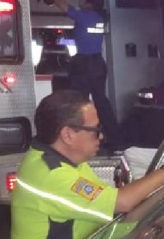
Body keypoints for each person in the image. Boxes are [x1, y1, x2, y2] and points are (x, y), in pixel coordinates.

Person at [11, 90, 164, 239]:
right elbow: (123, 202)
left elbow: (109, 201)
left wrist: (142, 232)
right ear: (68, 135)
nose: (101, 136)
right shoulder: (50, 174)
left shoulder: (69, 162)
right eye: (95, 130)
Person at [52, 0, 122, 149]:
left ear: (90, 3)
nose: (80, 2)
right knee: (101, 102)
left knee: (79, 104)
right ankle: (116, 139)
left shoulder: (84, 16)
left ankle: (78, 140)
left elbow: (64, 6)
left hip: (84, 65)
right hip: (98, 63)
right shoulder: (98, 17)